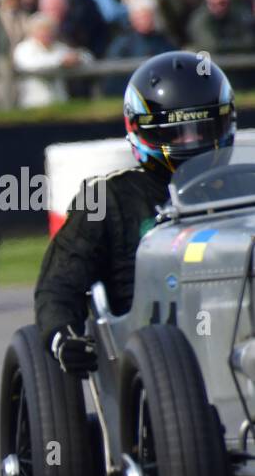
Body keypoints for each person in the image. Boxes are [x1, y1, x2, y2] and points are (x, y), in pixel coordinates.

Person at [35, 52, 236, 375]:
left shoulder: (243, 188)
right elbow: (60, 282)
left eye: (202, 129)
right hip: (150, 364)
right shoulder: (109, 200)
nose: (190, 143)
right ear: (142, 130)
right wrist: (62, 336)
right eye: (175, 133)